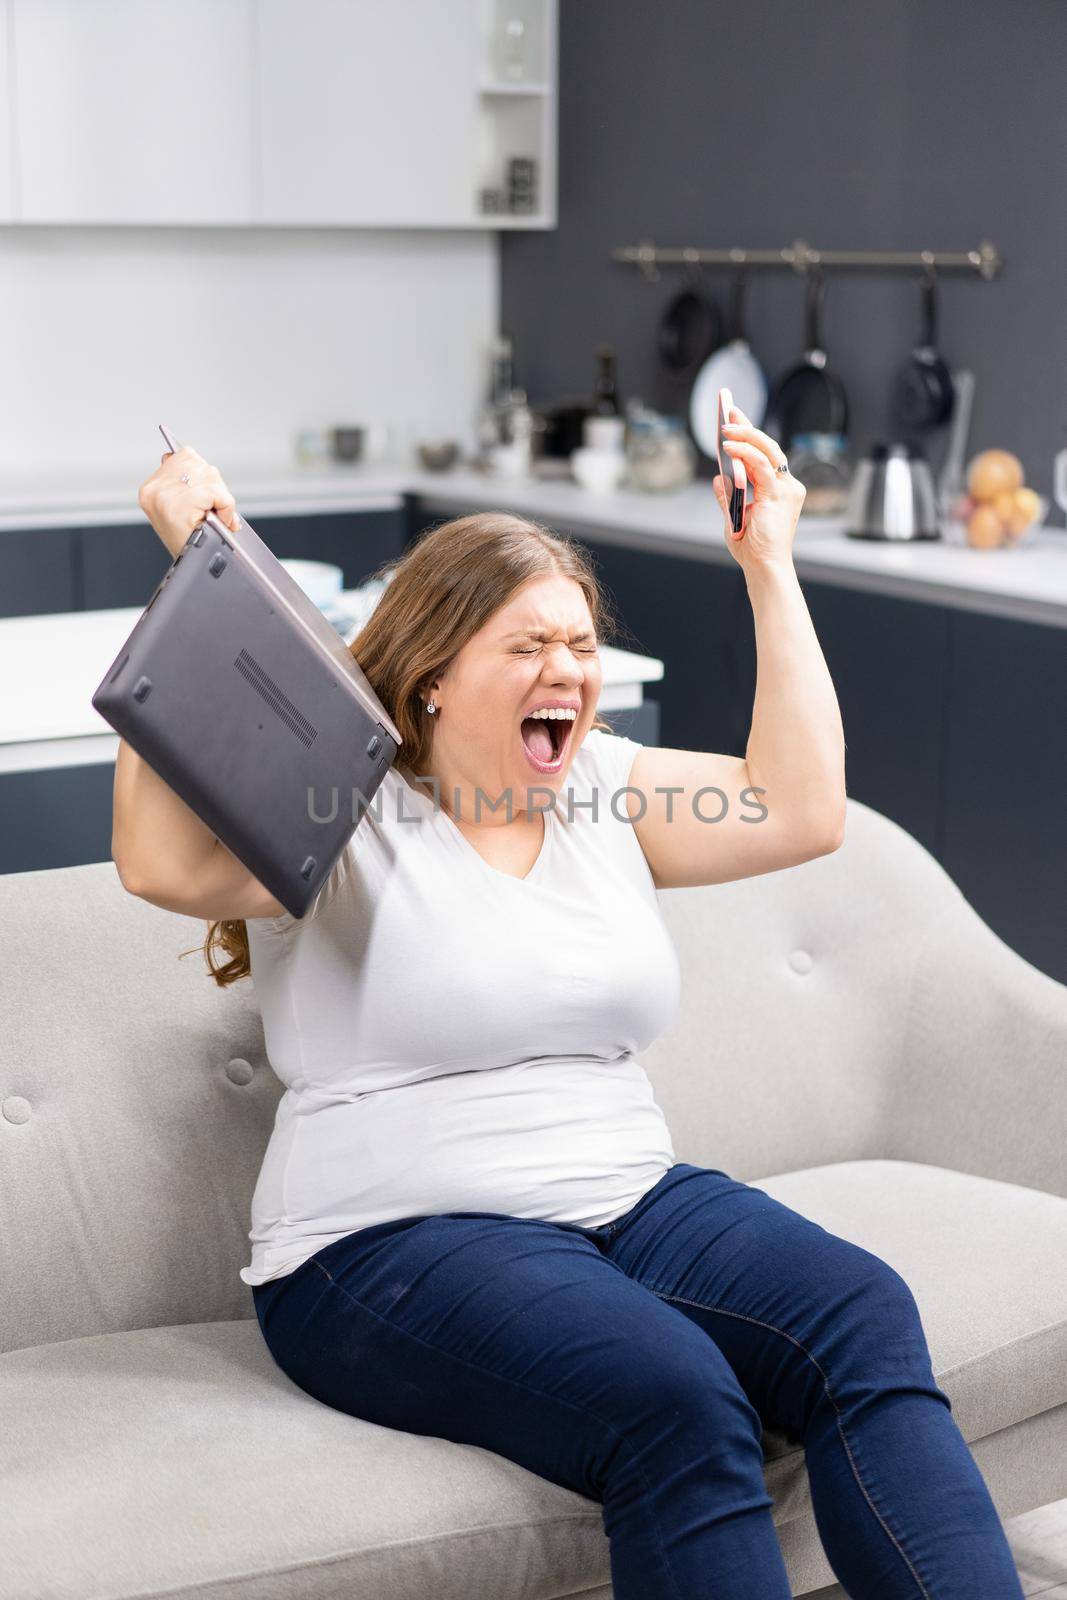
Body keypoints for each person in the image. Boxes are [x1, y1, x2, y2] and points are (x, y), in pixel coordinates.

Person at [121, 411, 1024, 1600]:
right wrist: (200, 573)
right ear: (434, 678)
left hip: (626, 1199)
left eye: (581, 643)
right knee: (677, 1397)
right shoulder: (340, 805)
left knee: (859, 1314)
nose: (571, 669)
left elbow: (796, 805)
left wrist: (770, 564)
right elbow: (158, 864)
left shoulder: (602, 786)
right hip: (383, 1244)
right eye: (528, 645)